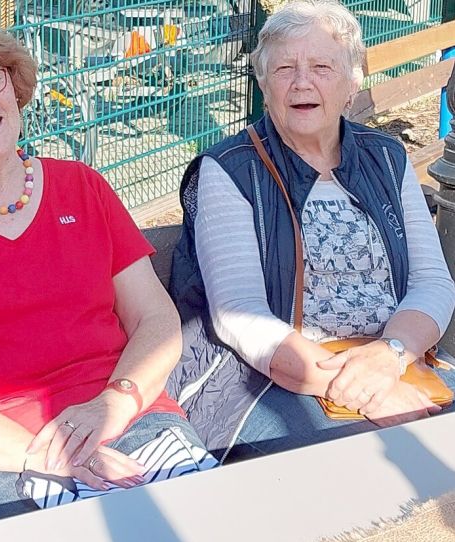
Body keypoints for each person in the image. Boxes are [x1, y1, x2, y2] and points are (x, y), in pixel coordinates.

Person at [0, 12, 210, 529]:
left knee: (205, 528)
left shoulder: (83, 186)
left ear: (13, 84)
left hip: (128, 418)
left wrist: (111, 409)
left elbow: (157, 322)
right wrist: (49, 454)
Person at [168, 0, 455, 462]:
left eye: (322, 66)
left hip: (391, 361)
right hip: (262, 380)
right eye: (284, 68)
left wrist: (392, 354)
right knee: (360, 461)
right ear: (263, 84)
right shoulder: (227, 170)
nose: (302, 81)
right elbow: (241, 316)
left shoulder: (387, 157)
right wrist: (366, 391)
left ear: (353, 81)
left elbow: (432, 282)